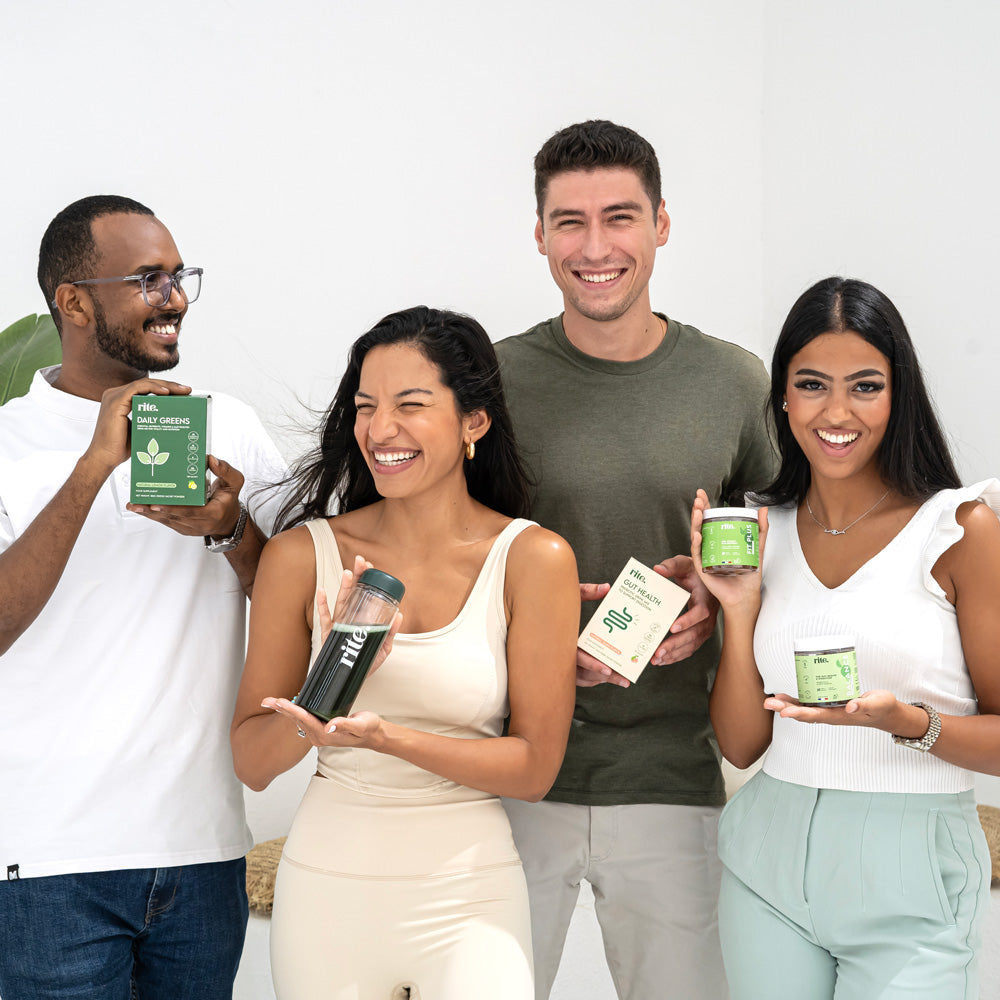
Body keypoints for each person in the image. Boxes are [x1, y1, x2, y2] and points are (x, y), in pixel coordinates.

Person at [495, 119, 775, 1000]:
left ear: (661, 223)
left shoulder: (735, 383)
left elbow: (794, 543)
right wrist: (539, 646)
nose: (595, 246)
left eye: (620, 217)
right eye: (569, 222)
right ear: (538, 234)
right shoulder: (489, 384)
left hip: (672, 771)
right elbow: (443, 558)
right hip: (514, 772)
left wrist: (722, 589)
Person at [230, 305, 580, 999]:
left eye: (410, 405)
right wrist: (326, 690)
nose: (380, 429)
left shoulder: (532, 558)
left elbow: (533, 768)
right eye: (365, 406)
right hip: (328, 894)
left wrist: (388, 737)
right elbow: (252, 762)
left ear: (473, 420)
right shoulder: (303, 556)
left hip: (472, 896)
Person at [0, 196, 287, 1000]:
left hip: (202, 852)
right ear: (75, 301)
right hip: (47, 864)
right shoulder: (8, 442)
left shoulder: (227, 426)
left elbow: (300, 603)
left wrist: (232, 530)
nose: (176, 296)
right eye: (148, 278)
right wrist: (94, 464)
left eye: (179, 275)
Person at [693, 276, 1000, 1000]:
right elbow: (741, 746)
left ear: (900, 396)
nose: (836, 412)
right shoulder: (763, 531)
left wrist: (906, 724)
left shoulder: (959, 530)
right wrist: (738, 609)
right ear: (782, 400)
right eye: (811, 385)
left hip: (911, 869)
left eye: (865, 386)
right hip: (768, 863)